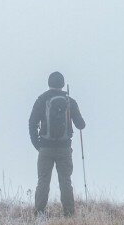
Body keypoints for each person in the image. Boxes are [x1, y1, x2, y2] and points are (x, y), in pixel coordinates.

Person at [28, 71, 86, 216]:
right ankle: (69, 214)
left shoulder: (42, 99)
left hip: (45, 148)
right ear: (62, 84)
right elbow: (81, 124)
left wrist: (38, 144)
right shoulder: (70, 101)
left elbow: (32, 122)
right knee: (65, 182)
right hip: (64, 149)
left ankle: (39, 213)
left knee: (43, 182)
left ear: (49, 83)